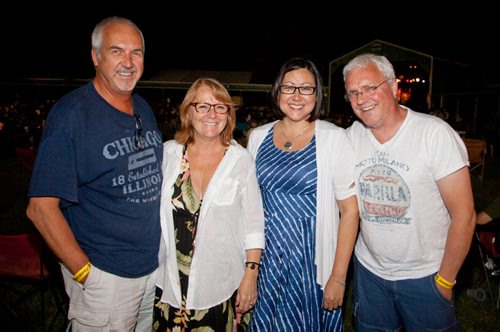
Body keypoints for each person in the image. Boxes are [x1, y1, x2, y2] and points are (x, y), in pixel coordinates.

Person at [26, 16, 163, 331]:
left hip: (150, 271)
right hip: (106, 276)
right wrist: (86, 274)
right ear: (96, 57)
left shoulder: (143, 107)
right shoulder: (71, 115)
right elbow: (40, 209)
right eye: (117, 51)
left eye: (137, 53)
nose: (128, 62)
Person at [342, 53, 476, 331]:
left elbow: (464, 215)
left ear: (392, 87)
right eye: (353, 92)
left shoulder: (434, 134)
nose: (362, 98)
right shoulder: (350, 137)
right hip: (370, 274)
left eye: (370, 87)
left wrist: (445, 281)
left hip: (425, 276)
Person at [246, 57, 359, 331]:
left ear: (317, 94)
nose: (297, 96)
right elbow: (248, 205)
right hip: (266, 257)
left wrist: (338, 277)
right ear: (277, 91)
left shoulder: (333, 138)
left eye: (306, 88)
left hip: (310, 259)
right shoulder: (257, 137)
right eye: (289, 87)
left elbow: (350, 211)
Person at [153, 77, 265, 331]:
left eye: (219, 106)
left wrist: (251, 275)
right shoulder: (168, 154)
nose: (211, 113)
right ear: (188, 112)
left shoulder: (240, 160)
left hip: (220, 285)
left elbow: (254, 224)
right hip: (171, 283)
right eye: (202, 106)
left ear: (228, 113)